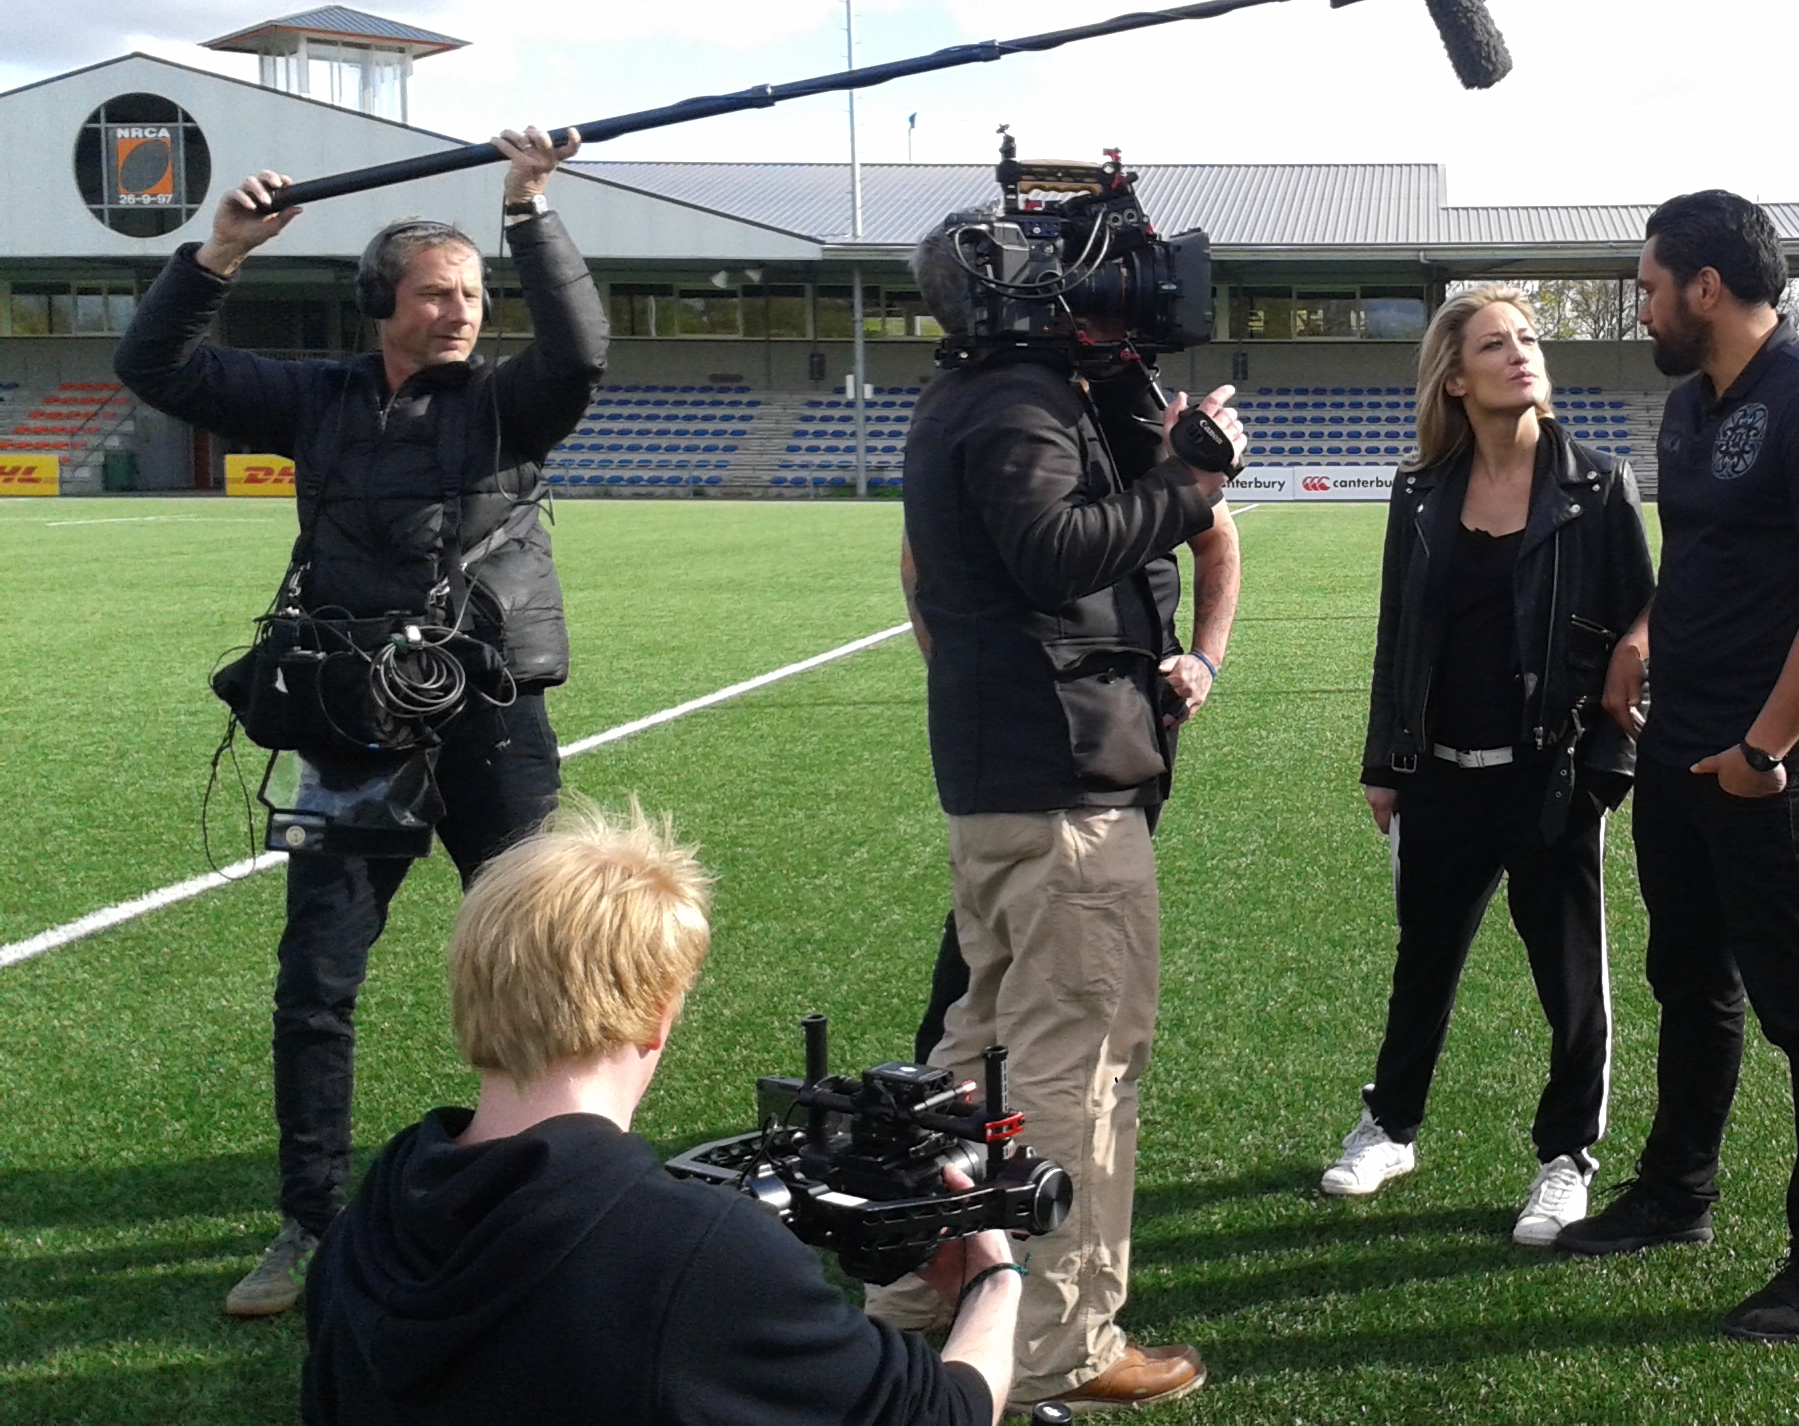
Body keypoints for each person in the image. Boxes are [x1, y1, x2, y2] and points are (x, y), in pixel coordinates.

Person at [112, 129, 605, 1318]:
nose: (460, 313)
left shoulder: (506, 406)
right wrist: (221, 251)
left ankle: (559, 1198)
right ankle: (309, 1220)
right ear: (381, 302)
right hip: (350, 724)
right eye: (435, 294)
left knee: (539, 967)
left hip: (490, 719)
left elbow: (580, 350)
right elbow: (155, 363)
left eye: (472, 294)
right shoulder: (318, 398)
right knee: (315, 982)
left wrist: (528, 207)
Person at [300, 797, 1025, 1426]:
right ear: (655, 1016)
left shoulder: (374, 1218)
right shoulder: (695, 1255)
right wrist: (990, 1281)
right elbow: (945, 1412)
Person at [867, 208, 1245, 1412]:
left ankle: (923, 1292)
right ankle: (1060, 1345)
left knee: (974, 1055)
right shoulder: (1020, 403)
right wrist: (1188, 485)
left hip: (1005, 784)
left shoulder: (973, 394)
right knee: (1077, 1067)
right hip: (1064, 793)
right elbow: (1053, 550)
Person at [1553, 190, 1799, 1345]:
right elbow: (1698, 558)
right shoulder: (1691, 406)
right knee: (1689, 982)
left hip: (1774, 767)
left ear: (1706, 286)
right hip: (1680, 747)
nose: (1640, 308)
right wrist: (1642, 637)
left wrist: (1763, 750)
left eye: (1649, 287)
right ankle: (1675, 1193)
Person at [1323, 286, 1653, 1247]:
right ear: (1455, 378)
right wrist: (1385, 764)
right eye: (1495, 344)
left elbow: (1642, 618)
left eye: (1529, 339)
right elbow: (1397, 633)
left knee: (1570, 981)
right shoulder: (1420, 492)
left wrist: (1610, 765)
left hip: (1551, 776)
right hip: (1439, 775)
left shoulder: (1598, 485)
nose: (1521, 354)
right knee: (1422, 965)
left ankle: (1566, 1158)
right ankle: (1391, 1128)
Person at [906, 362, 1242, 1066]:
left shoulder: (1131, 426)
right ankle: (958, 1090)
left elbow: (1218, 541)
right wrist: (966, 671)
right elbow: (919, 565)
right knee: (1025, 977)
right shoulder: (1018, 420)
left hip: (1128, 729)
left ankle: (967, 1088)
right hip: (1041, 742)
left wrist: (1204, 660)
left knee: (1050, 951)